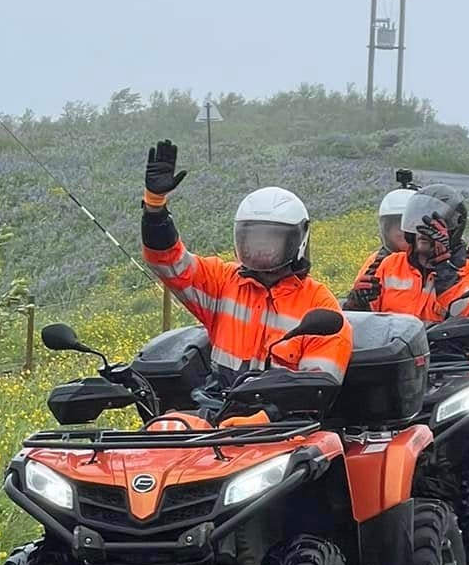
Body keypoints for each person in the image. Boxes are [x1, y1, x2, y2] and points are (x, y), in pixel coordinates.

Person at [140, 142, 352, 384]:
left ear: (298, 240)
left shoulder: (320, 306)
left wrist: (267, 414)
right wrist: (155, 207)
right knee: (169, 423)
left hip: (283, 420)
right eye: (252, 238)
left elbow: (317, 387)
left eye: (271, 239)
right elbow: (169, 262)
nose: (260, 248)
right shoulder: (222, 282)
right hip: (219, 409)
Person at [345, 186, 469, 323]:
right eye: (418, 224)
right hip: (397, 354)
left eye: (434, 227)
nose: (423, 232)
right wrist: (357, 304)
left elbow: (467, 315)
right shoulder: (389, 264)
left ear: (453, 231)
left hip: (447, 353)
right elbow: (365, 324)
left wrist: (446, 274)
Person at [349, 184, 419, 302]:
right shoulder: (376, 262)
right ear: (386, 229)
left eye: (406, 225)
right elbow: (362, 309)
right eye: (396, 225)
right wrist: (357, 301)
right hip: (386, 320)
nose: (401, 232)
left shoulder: (431, 263)